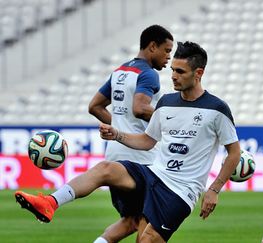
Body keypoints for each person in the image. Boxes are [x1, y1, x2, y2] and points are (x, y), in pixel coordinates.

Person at [15, 41, 241, 243]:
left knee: (147, 239)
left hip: (181, 192)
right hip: (154, 174)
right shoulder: (166, 102)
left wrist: (214, 189)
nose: (173, 76)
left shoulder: (217, 109)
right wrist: (117, 134)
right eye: (173, 69)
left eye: (180, 72)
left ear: (198, 73)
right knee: (106, 169)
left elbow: (234, 152)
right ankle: (50, 203)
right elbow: (147, 140)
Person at [88, 25, 173, 243]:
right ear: (152, 47)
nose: (168, 58)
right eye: (166, 50)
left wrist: (118, 128)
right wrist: (170, 123)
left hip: (115, 155)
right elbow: (141, 108)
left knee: (131, 220)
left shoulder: (120, 72)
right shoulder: (149, 74)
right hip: (140, 160)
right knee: (149, 220)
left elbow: (95, 106)